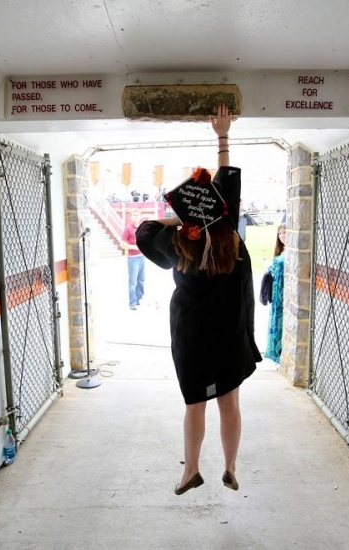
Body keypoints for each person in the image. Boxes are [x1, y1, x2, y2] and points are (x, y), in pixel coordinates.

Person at [136, 104, 261, 495]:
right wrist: (222, 136)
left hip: (192, 337)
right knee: (230, 404)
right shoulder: (233, 240)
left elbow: (142, 231)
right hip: (229, 336)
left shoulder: (178, 243)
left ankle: (190, 469)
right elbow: (226, 185)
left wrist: (178, 219)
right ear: (222, 210)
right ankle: (231, 466)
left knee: (195, 405)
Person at [265, 224, 286, 362]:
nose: (282, 236)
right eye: (280, 234)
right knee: (276, 317)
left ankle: (281, 351)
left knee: (282, 318)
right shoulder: (281, 250)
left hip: (284, 290)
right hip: (276, 289)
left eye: (285, 233)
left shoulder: (291, 251)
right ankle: (274, 350)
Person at [121, 210, 145, 310]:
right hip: (133, 259)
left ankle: (139, 299)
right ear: (131, 217)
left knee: (141, 280)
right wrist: (135, 247)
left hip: (142, 257)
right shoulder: (128, 229)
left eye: (137, 215)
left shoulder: (141, 227)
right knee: (133, 282)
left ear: (140, 217)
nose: (135, 217)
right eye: (134, 215)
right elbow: (122, 244)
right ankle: (132, 302)